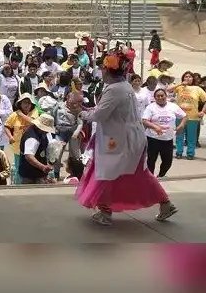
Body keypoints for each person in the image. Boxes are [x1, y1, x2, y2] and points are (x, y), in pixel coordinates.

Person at [74, 50, 179, 226]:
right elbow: (106, 110)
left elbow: (99, 115)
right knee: (139, 175)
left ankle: (106, 213)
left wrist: (80, 112)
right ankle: (165, 204)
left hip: (119, 141)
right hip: (130, 139)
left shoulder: (115, 89)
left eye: (103, 68)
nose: (101, 71)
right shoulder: (124, 86)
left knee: (106, 174)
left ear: (108, 71)